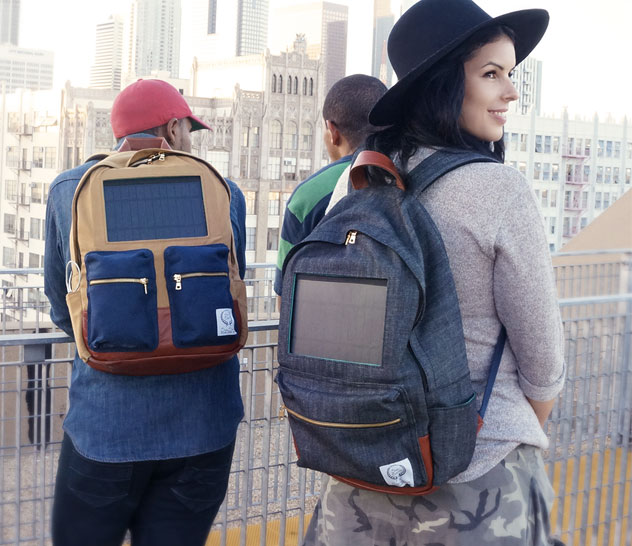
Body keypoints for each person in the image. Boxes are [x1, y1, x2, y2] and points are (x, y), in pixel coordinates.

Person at [302, 1, 566, 545]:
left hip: (360, 470)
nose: (510, 92)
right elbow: (543, 365)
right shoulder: (498, 189)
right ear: (444, 83)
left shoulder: (359, 178)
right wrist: (500, 433)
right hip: (477, 482)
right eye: (491, 73)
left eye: (510, 74)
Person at [44, 78, 246, 546]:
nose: (190, 140)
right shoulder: (225, 191)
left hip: (105, 426)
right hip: (204, 426)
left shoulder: (69, 189)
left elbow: (61, 301)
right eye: (189, 129)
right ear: (173, 128)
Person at [274, 74, 387, 295]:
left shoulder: (309, 194)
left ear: (332, 131)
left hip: (329, 311)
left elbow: (285, 293)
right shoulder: (407, 174)